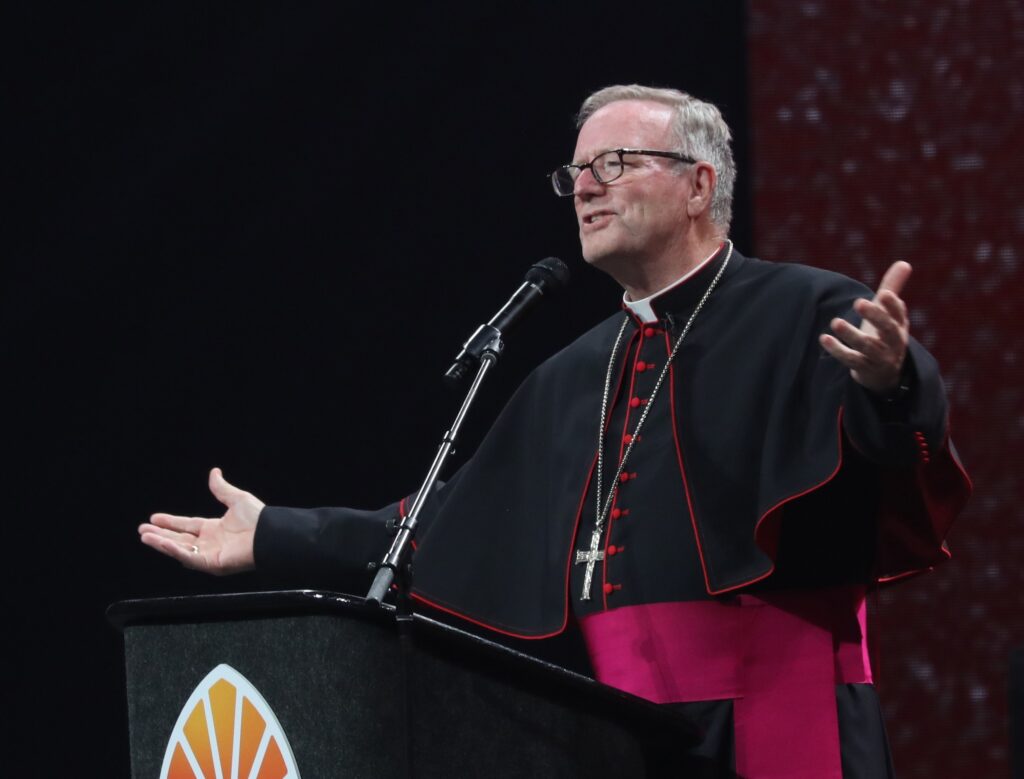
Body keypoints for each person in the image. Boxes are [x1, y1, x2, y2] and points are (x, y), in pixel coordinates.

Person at [139, 85, 971, 777]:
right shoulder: (572, 374)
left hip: (775, 723)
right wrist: (274, 533)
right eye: (575, 171)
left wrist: (892, 383)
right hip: (607, 735)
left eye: (613, 163)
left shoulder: (812, 311)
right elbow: (427, 532)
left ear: (697, 183)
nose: (585, 186)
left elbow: (895, 455)